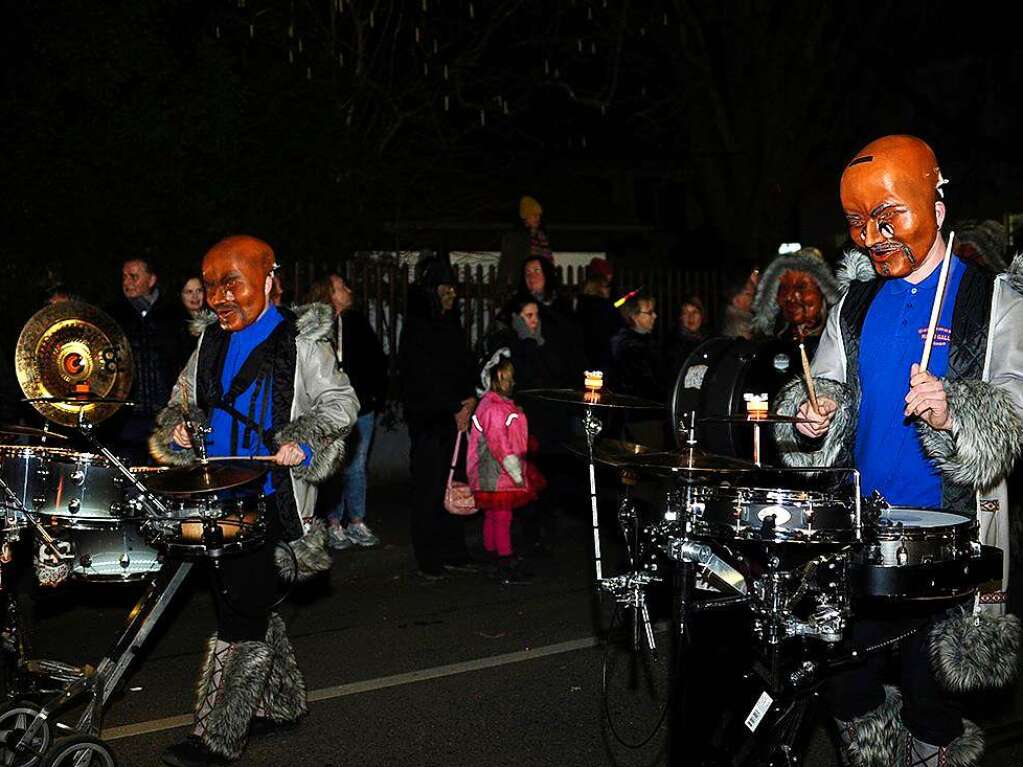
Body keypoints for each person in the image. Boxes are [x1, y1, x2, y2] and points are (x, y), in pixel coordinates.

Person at [776, 135, 1023, 766]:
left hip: (950, 539)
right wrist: (812, 415)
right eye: (859, 223)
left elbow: (1016, 407)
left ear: (937, 209)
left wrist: (957, 408)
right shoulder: (854, 306)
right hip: (861, 530)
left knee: (928, 696)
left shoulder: (994, 300)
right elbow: (828, 381)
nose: (873, 236)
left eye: (891, 217)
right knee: (848, 684)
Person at [149, 235, 359, 767]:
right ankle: (283, 702)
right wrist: (179, 429)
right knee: (238, 600)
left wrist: (305, 437)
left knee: (239, 611)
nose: (219, 297)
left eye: (232, 283)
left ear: (268, 281)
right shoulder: (209, 343)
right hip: (214, 496)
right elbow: (182, 401)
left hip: (271, 499)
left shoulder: (303, 343)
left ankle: (216, 736)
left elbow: (342, 401)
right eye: (212, 284)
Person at [398, 256, 479, 578]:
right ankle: (429, 556)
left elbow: (462, 363)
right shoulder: (419, 327)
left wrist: (469, 400)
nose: (452, 294)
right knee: (430, 488)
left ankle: (454, 550)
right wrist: (452, 407)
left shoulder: (450, 323)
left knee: (456, 485)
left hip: (455, 417)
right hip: (431, 419)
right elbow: (420, 376)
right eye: (446, 287)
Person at [305, 273, 388, 550]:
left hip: (361, 407)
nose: (348, 290)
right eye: (341, 287)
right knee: (331, 466)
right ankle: (332, 522)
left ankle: (356, 520)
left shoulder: (358, 323)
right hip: (329, 411)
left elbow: (376, 362)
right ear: (328, 294)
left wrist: (375, 396)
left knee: (356, 466)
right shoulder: (316, 327)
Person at [467, 349, 545, 584]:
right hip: (497, 470)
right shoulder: (495, 408)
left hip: (489, 470)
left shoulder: (492, 404)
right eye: (504, 377)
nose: (508, 382)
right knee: (502, 516)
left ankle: (493, 556)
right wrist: (516, 473)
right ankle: (504, 560)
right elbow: (500, 444)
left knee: (493, 514)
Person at [106, 258, 188, 464]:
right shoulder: (113, 315)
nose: (128, 282)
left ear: (151, 280)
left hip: (164, 414)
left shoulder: (173, 315)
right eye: (124, 276)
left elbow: (185, 363)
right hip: (126, 416)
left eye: (134, 276)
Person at [749, 246, 840, 356]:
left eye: (802, 287)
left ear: (823, 292)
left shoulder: (839, 343)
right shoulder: (768, 347)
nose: (790, 297)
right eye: (784, 288)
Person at [609, 293, 667, 446]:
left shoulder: (646, 342)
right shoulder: (630, 346)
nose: (655, 316)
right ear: (634, 317)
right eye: (649, 312)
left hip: (646, 414)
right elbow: (647, 384)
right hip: (640, 417)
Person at [497, 195, 554, 290]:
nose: (537, 218)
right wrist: (500, 287)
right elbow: (506, 263)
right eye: (534, 215)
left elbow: (549, 261)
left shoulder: (541, 236)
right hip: (524, 284)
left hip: (543, 284)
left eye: (539, 215)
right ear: (525, 218)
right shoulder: (515, 237)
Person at [575, 257, 622, 370]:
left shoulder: (581, 304)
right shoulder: (604, 307)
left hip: (585, 360)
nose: (609, 289)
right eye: (607, 285)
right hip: (602, 360)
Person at [667, 295, 707, 374]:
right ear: (680, 317)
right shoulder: (673, 344)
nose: (691, 317)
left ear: (702, 316)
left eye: (695, 312)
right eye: (686, 313)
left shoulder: (709, 340)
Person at [718, 268, 759, 339]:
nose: (753, 298)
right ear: (736, 300)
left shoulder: (745, 318)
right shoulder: (740, 325)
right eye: (748, 294)